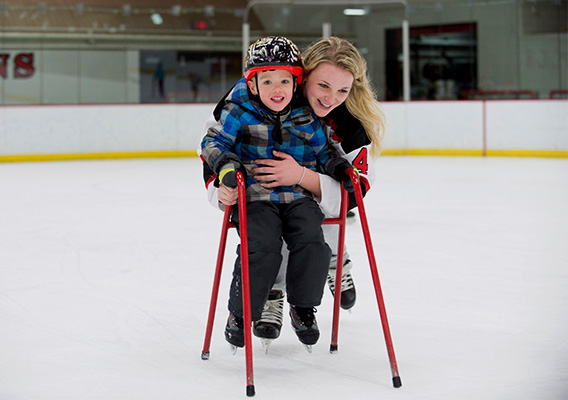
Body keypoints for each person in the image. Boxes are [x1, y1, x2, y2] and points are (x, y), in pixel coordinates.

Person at [201, 36, 384, 346]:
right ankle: (271, 292)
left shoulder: (348, 125)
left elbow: (353, 192)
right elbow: (212, 143)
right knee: (266, 235)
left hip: (310, 196)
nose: (330, 99)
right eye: (322, 86)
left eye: (342, 90)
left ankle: (334, 262)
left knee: (310, 228)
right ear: (304, 75)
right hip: (264, 194)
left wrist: (301, 175)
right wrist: (222, 185)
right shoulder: (259, 90)